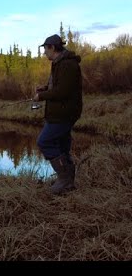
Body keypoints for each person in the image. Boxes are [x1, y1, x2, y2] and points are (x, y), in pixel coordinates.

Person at [33, 34, 83, 195]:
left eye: (45, 49)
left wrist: (41, 96)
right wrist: (45, 89)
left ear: (52, 48)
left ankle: (64, 179)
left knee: (44, 141)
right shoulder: (59, 63)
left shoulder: (67, 64)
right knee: (62, 145)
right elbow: (58, 87)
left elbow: (63, 91)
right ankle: (68, 181)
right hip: (61, 112)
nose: (44, 53)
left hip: (64, 113)